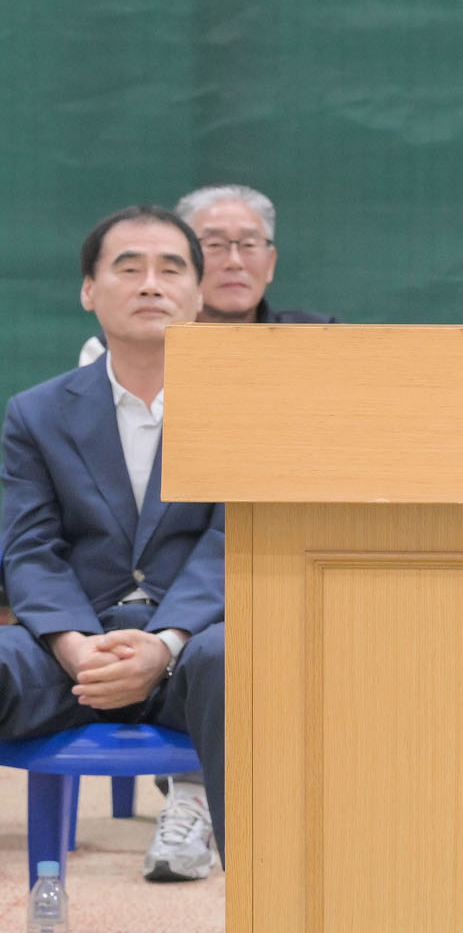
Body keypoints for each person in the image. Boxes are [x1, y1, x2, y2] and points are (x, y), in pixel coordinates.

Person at [2, 207, 227, 883]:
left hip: (192, 652)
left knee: (240, 660)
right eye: (128, 268)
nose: (150, 284)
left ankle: (262, 894)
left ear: (198, 294)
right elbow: (28, 547)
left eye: (171, 269)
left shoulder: (241, 406)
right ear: (88, 291)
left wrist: (165, 643)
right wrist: (74, 645)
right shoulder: (36, 412)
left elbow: (233, 540)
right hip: (72, 654)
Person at [77, 183, 337, 366]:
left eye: (249, 245)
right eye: (214, 245)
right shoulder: (116, 352)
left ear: (270, 263)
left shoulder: (320, 339)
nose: (234, 262)